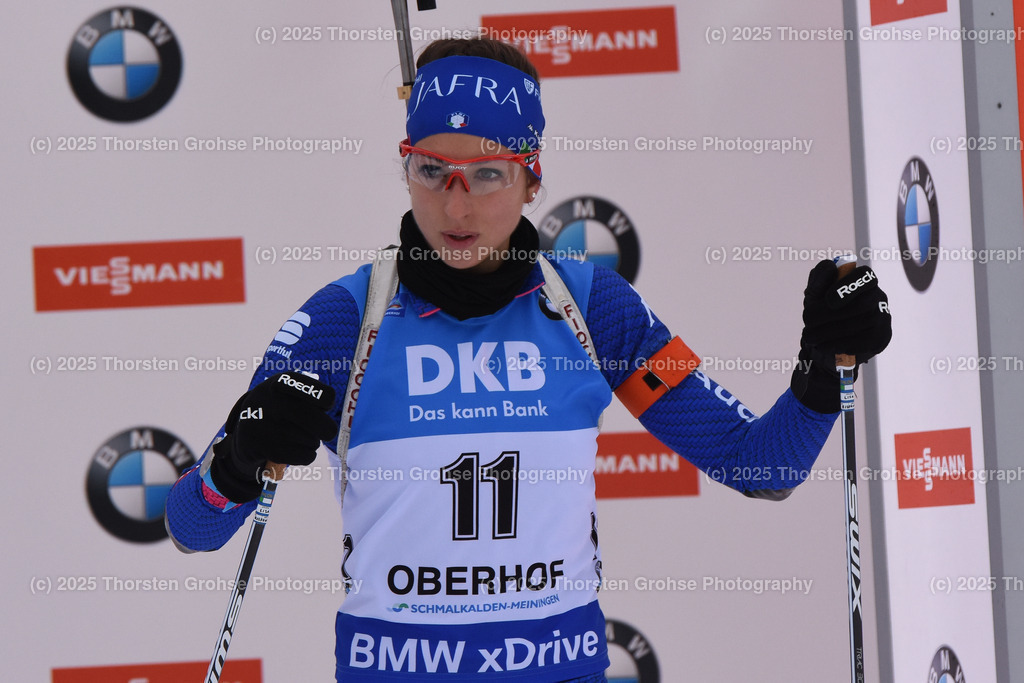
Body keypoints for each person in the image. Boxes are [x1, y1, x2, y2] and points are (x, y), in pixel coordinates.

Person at [166, 37, 892, 682]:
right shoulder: (340, 323)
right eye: (431, 171)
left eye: (488, 175)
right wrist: (235, 461)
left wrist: (824, 365)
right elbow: (190, 525)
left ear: (533, 181)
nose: (457, 208)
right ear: (406, 167)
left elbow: (759, 465)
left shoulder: (594, 310)